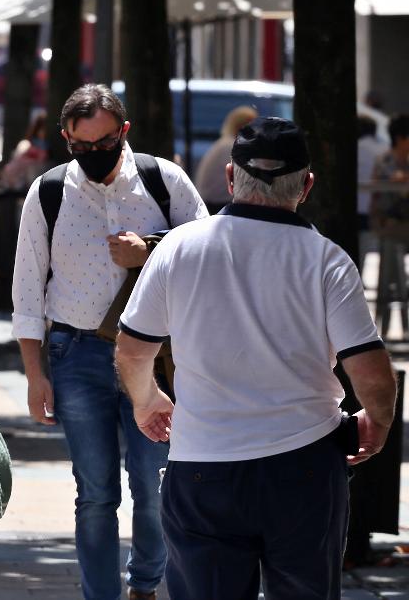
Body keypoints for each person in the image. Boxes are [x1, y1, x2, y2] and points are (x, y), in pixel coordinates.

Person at [116, 117, 398, 600]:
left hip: (204, 463)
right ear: (306, 185)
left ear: (230, 177)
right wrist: (378, 421)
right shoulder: (327, 260)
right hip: (306, 464)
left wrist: (147, 402)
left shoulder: (178, 248)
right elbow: (373, 375)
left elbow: (132, 350)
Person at [12, 84, 207, 600]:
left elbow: (208, 258)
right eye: (80, 146)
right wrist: (35, 376)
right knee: (94, 493)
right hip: (77, 355)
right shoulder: (49, 191)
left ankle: (144, 583)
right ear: (65, 139)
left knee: (151, 484)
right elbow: (28, 290)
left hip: (153, 358)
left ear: (124, 132)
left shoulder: (164, 181)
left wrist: (149, 250)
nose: (92, 155)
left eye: (103, 144)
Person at [194, 105, 257, 213]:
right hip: (216, 206)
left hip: (212, 203)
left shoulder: (225, 143)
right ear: (241, 126)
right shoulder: (231, 146)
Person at [1, 113, 51, 191]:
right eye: (42, 129)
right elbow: (19, 158)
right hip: (21, 179)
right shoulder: (27, 144)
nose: (44, 132)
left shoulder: (43, 145)